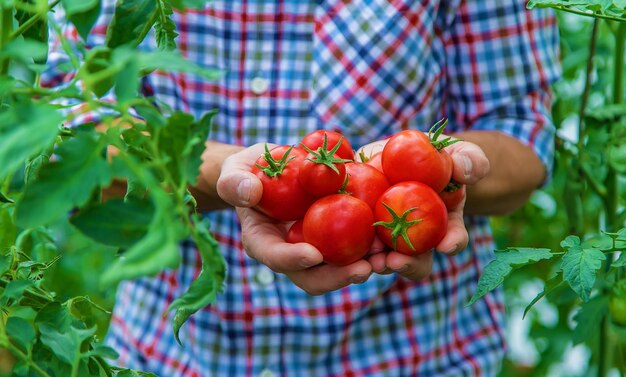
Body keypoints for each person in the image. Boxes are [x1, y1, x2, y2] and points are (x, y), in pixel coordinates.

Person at [45, 0, 560, 375]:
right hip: (176, 355)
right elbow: (67, 137)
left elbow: (522, 135)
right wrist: (227, 174)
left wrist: (446, 169)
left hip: (414, 354)